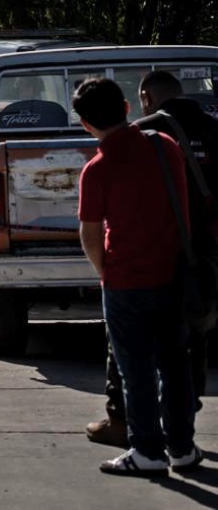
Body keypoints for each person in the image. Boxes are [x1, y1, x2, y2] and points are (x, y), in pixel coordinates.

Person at [73, 77, 200, 476]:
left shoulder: (97, 169)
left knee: (136, 372)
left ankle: (145, 450)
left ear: (84, 124)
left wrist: (104, 271)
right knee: (175, 367)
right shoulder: (166, 149)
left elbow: (90, 233)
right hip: (174, 274)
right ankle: (181, 447)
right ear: (128, 108)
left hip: (125, 282)